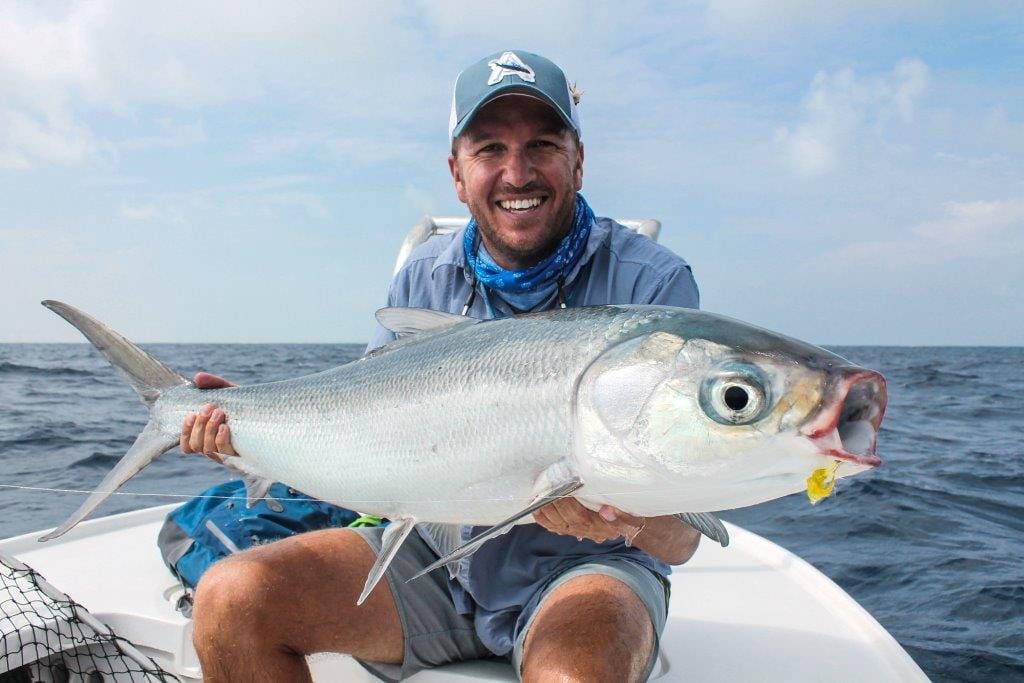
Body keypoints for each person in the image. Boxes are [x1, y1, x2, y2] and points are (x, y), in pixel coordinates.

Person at [181, 50, 703, 682]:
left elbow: (685, 540)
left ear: (578, 161)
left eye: (541, 144)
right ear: (457, 174)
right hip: (430, 560)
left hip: (583, 574)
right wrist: (256, 432)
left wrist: (626, 517)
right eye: (489, 150)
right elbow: (364, 432)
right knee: (232, 599)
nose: (517, 172)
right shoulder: (423, 274)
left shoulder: (650, 286)